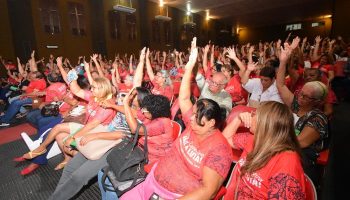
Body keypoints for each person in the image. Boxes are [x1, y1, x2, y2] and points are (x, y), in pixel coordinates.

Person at [111, 37, 233, 200]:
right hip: (151, 181)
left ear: (211, 123)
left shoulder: (220, 149)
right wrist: (189, 67)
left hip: (171, 196)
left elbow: (208, 191)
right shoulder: (193, 124)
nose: (190, 118)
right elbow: (183, 99)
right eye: (194, 113)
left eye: (197, 117)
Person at [48, 87, 152, 200]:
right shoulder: (125, 105)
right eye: (131, 93)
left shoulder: (144, 115)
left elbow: (124, 135)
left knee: (79, 177)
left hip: (115, 147)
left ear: (141, 98)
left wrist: (95, 136)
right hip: (103, 137)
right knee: (70, 167)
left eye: (133, 94)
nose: (129, 95)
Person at [21, 58, 116, 170]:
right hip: (86, 126)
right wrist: (73, 79)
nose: (91, 89)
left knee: (61, 131)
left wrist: (73, 137)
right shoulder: (93, 96)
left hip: (96, 131)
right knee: (59, 135)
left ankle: (88, 164)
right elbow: (77, 91)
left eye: (94, 88)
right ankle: (65, 158)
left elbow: (92, 125)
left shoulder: (107, 105)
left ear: (102, 89)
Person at [223, 101, 307, 199]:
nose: (251, 115)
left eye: (254, 114)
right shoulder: (253, 139)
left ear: (264, 122)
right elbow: (224, 141)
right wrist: (238, 119)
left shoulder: (287, 161)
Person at [277, 38, 329, 184]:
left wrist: (272, 137)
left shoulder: (319, 119)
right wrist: (283, 61)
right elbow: (280, 84)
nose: (300, 98)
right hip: (283, 148)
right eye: (300, 93)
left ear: (317, 102)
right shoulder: (296, 104)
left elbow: (300, 142)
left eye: (306, 97)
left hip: (302, 159)